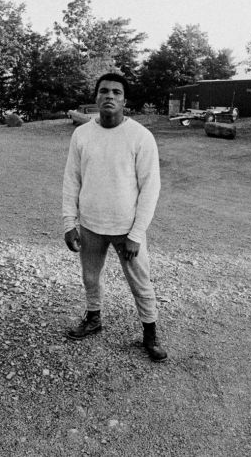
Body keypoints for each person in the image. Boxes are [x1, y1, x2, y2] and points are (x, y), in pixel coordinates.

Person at [62, 72, 167, 362]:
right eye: (104, 91)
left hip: (126, 230)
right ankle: (93, 318)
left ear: (124, 100)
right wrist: (69, 222)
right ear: (96, 97)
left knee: (140, 283)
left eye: (116, 92)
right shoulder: (82, 134)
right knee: (90, 276)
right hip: (91, 226)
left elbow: (150, 188)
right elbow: (72, 179)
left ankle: (150, 334)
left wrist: (136, 234)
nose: (110, 96)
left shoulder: (140, 137)